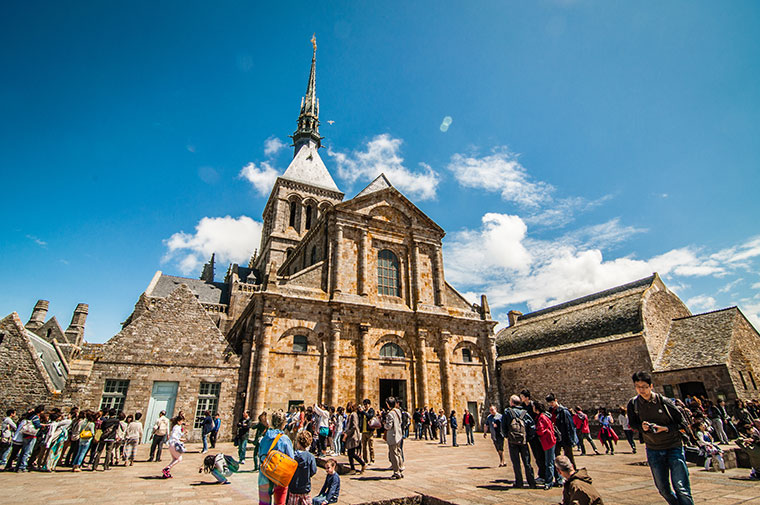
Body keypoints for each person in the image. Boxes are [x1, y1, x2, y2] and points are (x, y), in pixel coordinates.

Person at [627, 371, 693, 505]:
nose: (642, 390)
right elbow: (633, 423)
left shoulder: (664, 402)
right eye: (638, 386)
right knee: (663, 489)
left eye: (644, 386)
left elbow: (683, 424)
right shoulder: (633, 404)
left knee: (681, 487)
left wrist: (665, 428)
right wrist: (642, 427)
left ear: (651, 386)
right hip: (653, 449)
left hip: (673, 446)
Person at [258, 410, 294, 505]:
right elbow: (291, 459)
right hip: (279, 475)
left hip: (264, 473)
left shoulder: (264, 438)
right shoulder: (285, 439)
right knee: (279, 503)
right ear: (283, 423)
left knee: (264, 503)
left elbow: (260, 454)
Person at [501, 394, 537, 489]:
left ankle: (519, 482)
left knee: (516, 462)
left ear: (512, 402)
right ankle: (531, 482)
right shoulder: (524, 413)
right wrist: (528, 437)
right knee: (527, 462)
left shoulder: (508, 412)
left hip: (512, 441)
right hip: (523, 441)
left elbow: (503, 426)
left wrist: (506, 436)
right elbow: (532, 426)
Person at [521, 389, 546, 481]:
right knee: (536, 454)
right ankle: (542, 474)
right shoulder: (523, 407)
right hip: (530, 434)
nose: (521, 398)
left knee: (541, 454)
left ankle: (544, 474)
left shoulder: (533, 405)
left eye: (522, 396)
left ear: (527, 397)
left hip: (538, 433)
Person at [547, 394, 578, 467]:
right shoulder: (551, 411)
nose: (551, 404)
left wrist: (570, 439)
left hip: (565, 436)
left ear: (555, 400)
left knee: (569, 456)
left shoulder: (564, 411)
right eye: (549, 403)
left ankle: (573, 471)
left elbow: (569, 426)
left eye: (552, 402)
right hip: (556, 436)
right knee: (556, 455)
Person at [535, 401, 561, 490]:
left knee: (549, 463)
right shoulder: (545, 416)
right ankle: (559, 480)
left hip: (548, 441)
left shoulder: (541, 418)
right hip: (551, 441)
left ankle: (549, 482)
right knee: (552, 461)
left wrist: (535, 430)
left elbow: (541, 431)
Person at [288, 430, 318, 505]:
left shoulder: (293, 456)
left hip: (293, 488)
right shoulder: (310, 457)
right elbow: (313, 471)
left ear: (298, 442)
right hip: (305, 488)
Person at [384, 396, 404, 479]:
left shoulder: (390, 414)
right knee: (398, 452)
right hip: (399, 435)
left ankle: (396, 472)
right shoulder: (398, 411)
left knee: (394, 454)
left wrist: (384, 424)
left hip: (393, 436)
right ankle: (401, 468)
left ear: (388, 405)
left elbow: (389, 426)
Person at [342, 402, 365, 474]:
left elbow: (354, 426)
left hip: (353, 436)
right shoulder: (351, 415)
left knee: (351, 453)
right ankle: (353, 469)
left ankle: (362, 464)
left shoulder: (354, 415)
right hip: (350, 436)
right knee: (350, 453)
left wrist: (347, 433)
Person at [162, 414, 186, 478]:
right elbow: (174, 436)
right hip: (174, 444)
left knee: (174, 459)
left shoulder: (176, 427)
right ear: (178, 421)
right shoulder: (177, 427)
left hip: (171, 444)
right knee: (179, 458)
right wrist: (180, 439)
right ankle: (167, 469)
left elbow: (178, 434)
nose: (182, 422)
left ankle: (166, 472)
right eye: (181, 421)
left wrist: (183, 433)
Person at [360, 399, 376, 465]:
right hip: (364, 431)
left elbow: (370, 416)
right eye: (364, 404)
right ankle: (365, 460)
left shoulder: (371, 410)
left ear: (369, 404)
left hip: (369, 431)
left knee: (371, 446)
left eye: (366, 404)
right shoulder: (363, 412)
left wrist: (363, 412)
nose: (365, 406)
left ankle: (372, 460)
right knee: (364, 447)